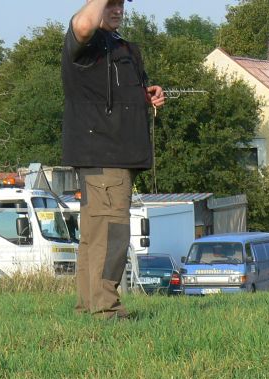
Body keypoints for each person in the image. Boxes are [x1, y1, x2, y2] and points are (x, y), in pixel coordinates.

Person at [62, 0, 165, 319]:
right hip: (106, 155)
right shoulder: (86, 42)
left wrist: (146, 94)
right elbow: (82, 25)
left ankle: (88, 306)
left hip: (111, 154)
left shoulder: (121, 47)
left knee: (95, 234)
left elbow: (115, 92)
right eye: (111, 4)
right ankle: (107, 308)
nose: (118, 9)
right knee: (112, 233)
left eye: (121, 4)